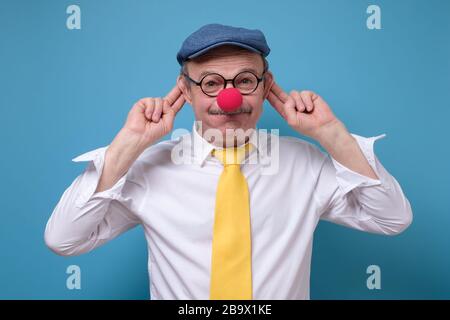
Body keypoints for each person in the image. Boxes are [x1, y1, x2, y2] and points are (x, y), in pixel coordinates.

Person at [44, 23, 413, 300]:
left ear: (266, 87)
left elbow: (392, 218)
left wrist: (331, 133)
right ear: (185, 90)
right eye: (210, 83)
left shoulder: (306, 164)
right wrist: (128, 144)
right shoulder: (146, 168)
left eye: (245, 80)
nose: (230, 97)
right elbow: (64, 240)